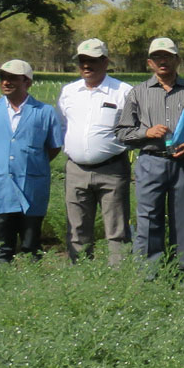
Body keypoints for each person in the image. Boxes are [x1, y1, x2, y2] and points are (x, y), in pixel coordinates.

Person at [115, 37, 184, 275]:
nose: (163, 61)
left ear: (178, 60)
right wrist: (146, 132)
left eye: (168, 56)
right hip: (150, 161)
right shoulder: (138, 93)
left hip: (183, 163)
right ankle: (148, 276)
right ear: (150, 62)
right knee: (148, 220)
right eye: (158, 57)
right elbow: (122, 132)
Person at [0, 59, 65, 263]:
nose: (5, 82)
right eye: (3, 78)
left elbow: (54, 146)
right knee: (2, 247)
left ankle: (33, 288)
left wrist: (32, 163)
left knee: (31, 246)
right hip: (0, 186)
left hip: (33, 186)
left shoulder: (44, 112)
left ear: (27, 82)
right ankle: (3, 285)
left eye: (12, 78)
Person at [55, 39, 133, 265]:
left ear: (106, 62)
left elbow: (132, 128)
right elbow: (62, 126)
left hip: (112, 169)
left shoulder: (123, 91)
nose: (86, 66)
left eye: (93, 61)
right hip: (76, 170)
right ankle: (81, 276)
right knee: (76, 228)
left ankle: (118, 278)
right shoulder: (69, 92)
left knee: (116, 229)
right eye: (82, 61)